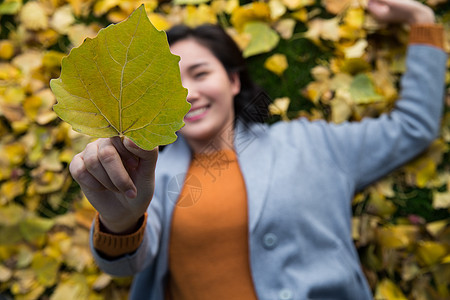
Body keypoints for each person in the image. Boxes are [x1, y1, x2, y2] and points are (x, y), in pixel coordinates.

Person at [69, 0, 447, 299]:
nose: (189, 93)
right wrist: (121, 222)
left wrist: (421, 19)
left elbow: (412, 127)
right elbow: (124, 268)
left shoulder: (312, 144)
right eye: (173, 85)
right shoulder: (150, 176)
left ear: (233, 81)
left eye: (200, 74)